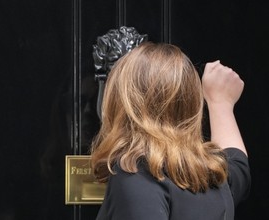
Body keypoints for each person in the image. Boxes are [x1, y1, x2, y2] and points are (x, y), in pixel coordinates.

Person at [91, 42, 250, 220]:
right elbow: (238, 167)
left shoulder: (136, 172)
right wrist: (221, 104)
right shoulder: (213, 178)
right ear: (190, 103)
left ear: (121, 102)